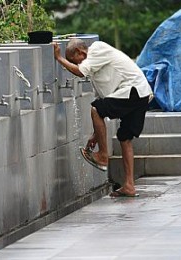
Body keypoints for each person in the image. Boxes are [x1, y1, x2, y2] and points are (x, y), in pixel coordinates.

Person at [53, 39, 153, 197]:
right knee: (124, 137)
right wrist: (96, 135)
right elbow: (102, 102)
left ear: (80, 52)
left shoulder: (97, 49)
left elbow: (80, 72)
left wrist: (59, 59)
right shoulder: (95, 67)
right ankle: (129, 185)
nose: (76, 64)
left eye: (75, 61)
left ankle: (103, 156)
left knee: (95, 109)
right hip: (139, 94)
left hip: (132, 91)